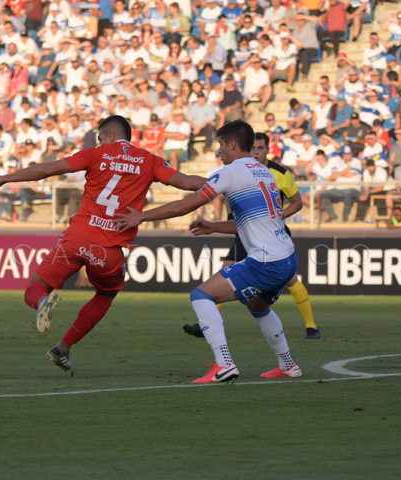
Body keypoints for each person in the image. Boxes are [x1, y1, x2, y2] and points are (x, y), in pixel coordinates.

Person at [0, 115, 205, 372]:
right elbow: (186, 183)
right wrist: (223, 184)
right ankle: (62, 348)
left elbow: (48, 169)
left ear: (108, 136)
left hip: (75, 240)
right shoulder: (148, 161)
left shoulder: (95, 154)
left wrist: (6, 178)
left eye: (99, 138)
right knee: (106, 294)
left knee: (36, 287)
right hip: (108, 251)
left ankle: (42, 302)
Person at [116, 120, 302, 382]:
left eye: (221, 145)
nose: (219, 151)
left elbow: (187, 205)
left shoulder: (231, 172)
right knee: (258, 305)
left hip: (265, 262)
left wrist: (142, 216)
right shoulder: (264, 172)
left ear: (233, 144)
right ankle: (288, 365)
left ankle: (224, 364)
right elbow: (251, 221)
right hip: (287, 257)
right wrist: (214, 226)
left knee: (201, 295)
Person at [182, 132, 321, 340]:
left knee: (291, 279)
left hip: (271, 232)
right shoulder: (240, 170)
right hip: (245, 227)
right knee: (226, 269)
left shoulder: (279, 173)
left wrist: (276, 217)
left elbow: (297, 202)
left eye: (261, 148)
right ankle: (208, 322)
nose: (256, 152)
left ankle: (311, 326)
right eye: (253, 148)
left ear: (268, 149)